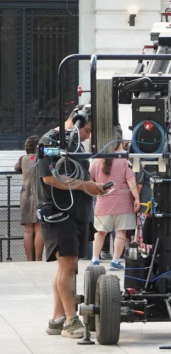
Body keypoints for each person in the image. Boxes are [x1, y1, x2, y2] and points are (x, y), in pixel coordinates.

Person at [37, 106, 109, 338]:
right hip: (59, 212)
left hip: (78, 211)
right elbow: (49, 177)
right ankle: (70, 320)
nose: (88, 136)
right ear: (78, 121)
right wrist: (84, 185)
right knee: (68, 265)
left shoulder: (76, 144)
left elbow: (78, 175)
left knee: (66, 266)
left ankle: (57, 318)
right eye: (88, 130)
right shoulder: (50, 140)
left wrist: (92, 187)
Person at [89, 134, 139, 271]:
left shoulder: (97, 161)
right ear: (118, 145)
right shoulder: (123, 161)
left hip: (102, 203)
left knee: (100, 232)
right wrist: (137, 198)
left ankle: (95, 259)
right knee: (120, 232)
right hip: (123, 203)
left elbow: (90, 180)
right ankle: (115, 261)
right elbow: (131, 180)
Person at [15, 136, 43, 261]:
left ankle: (29, 260)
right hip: (39, 194)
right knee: (39, 228)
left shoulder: (23, 159)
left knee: (28, 230)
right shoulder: (41, 159)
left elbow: (16, 168)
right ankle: (38, 259)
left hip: (25, 194)